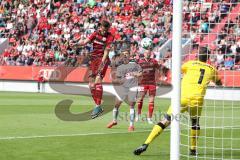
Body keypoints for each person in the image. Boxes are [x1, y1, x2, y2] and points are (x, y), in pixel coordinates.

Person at [133, 47, 222, 156]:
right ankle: (193, 149)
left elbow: (177, 70)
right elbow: (219, 83)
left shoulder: (190, 64)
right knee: (195, 123)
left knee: (165, 120)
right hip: (197, 100)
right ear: (208, 58)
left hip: (182, 98)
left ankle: (146, 143)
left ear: (197, 56)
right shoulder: (212, 69)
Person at [72, 20, 114, 119]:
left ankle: (98, 106)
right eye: (102, 29)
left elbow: (106, 53)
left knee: (98, 80)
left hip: (102, 60)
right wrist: (76, 44)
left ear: (107, 29)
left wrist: (102, 64)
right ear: (100, 27)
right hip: (93, 59)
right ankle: (98, 106)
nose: (103, 31)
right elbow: (85, 42)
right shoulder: (95, 33)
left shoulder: (110, 36)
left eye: (105, 30)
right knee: (91, 85)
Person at [107, 49, 142, 131]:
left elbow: (141, 73)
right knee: (116, 105)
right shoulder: (120, 67)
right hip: (123, 88)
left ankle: (131, 125)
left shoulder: (135, 65)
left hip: (132, 87)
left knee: (132, 105)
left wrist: (136, 74)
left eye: (126, 54)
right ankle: (114, 121)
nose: (125, 55)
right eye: (123, 54)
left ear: (129, 55)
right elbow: (119, 79)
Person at [136, 48, 163, 124]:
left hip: (152, 83)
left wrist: (160, 77)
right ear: (144, 54)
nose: (147, 54)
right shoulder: (140, 62)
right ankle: (138, 115)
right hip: (143, 83)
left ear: (150, 53)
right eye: (146, 53)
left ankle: (149, 118)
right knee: (140, 99)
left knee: (151, 100)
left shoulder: (154, 61)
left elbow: (160, 68)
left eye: (148, 53)